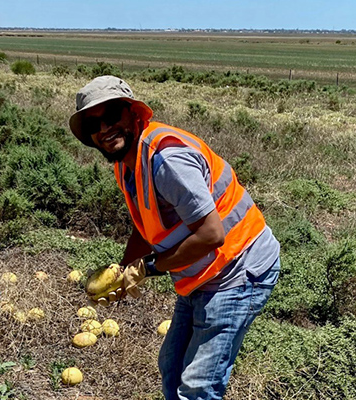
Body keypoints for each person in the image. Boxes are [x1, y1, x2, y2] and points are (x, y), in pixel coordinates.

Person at [69, 76, 281, 400]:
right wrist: (124, 271)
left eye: (112, 115)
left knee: (197, 388)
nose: (105, 128)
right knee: (172, 366)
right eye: (94, 124)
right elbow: (146, 223)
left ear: (133, 114)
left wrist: (148, 269)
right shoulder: (126, 162)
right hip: (201, 272)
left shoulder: (166, 159)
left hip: (238, 271)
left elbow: (212, 234)